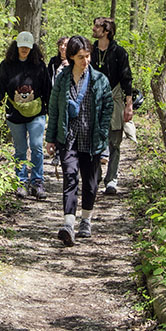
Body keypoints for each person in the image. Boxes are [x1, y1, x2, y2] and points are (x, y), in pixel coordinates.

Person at [46, 35, 113, 245]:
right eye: (81, 57)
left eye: (88, 56)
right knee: (70, 179)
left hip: (92, 140)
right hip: (69, 139)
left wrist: (102, 134)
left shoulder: (99, 80)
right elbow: (54, 109)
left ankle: (86, 219)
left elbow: (108, 108)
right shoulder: (62, 79)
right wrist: (51, 139)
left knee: (91, 184)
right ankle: (68, 224)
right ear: (72, 57)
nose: (86, 61)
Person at [0, 31, 52, 200]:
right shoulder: (6, 65)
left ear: (32, 48)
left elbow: (48, 89)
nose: (24, 50)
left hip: (37, 113)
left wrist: (52, 111)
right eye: (21, 47)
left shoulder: (39, 66)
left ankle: (37, 182)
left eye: (27, 47)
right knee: (20, 150)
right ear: (16, 47)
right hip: (14, 113)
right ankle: (21, 181)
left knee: (37, 145)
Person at [90, 17, 134, 195]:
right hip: (93, 100)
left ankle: (112, 181)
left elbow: (127, 78)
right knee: (94, 140)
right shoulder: (89, 51)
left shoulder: (119, 52)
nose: (93, 29)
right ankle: (95, 176)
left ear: (106, 31)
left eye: (97, 26)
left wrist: (128, 105)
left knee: (114, 141)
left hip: (114, 98)